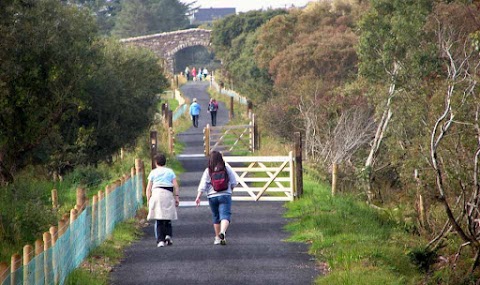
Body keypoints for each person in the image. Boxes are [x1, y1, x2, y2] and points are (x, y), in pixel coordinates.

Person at [195, 151, 237, 245]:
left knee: (216, 216)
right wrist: (231, 190)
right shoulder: (226, 168)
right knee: (225, 215)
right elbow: (234, 181)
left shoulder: (208, 170)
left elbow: (203, 184)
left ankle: (217, 238)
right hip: (225, 194)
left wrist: (198, 196)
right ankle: (223, 232)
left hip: (212, 196)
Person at [146, 154, 180, 247]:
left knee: (159, 218)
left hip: (156, 193)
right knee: (167, 216)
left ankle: (160, 240)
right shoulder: (170, 172)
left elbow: (148, 188)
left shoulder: (153, 172)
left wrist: (148, 199)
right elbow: (175, 185)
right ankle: (168, 235)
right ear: (165, 162)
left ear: (156, 162)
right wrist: (176, 197)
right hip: (168, 194)